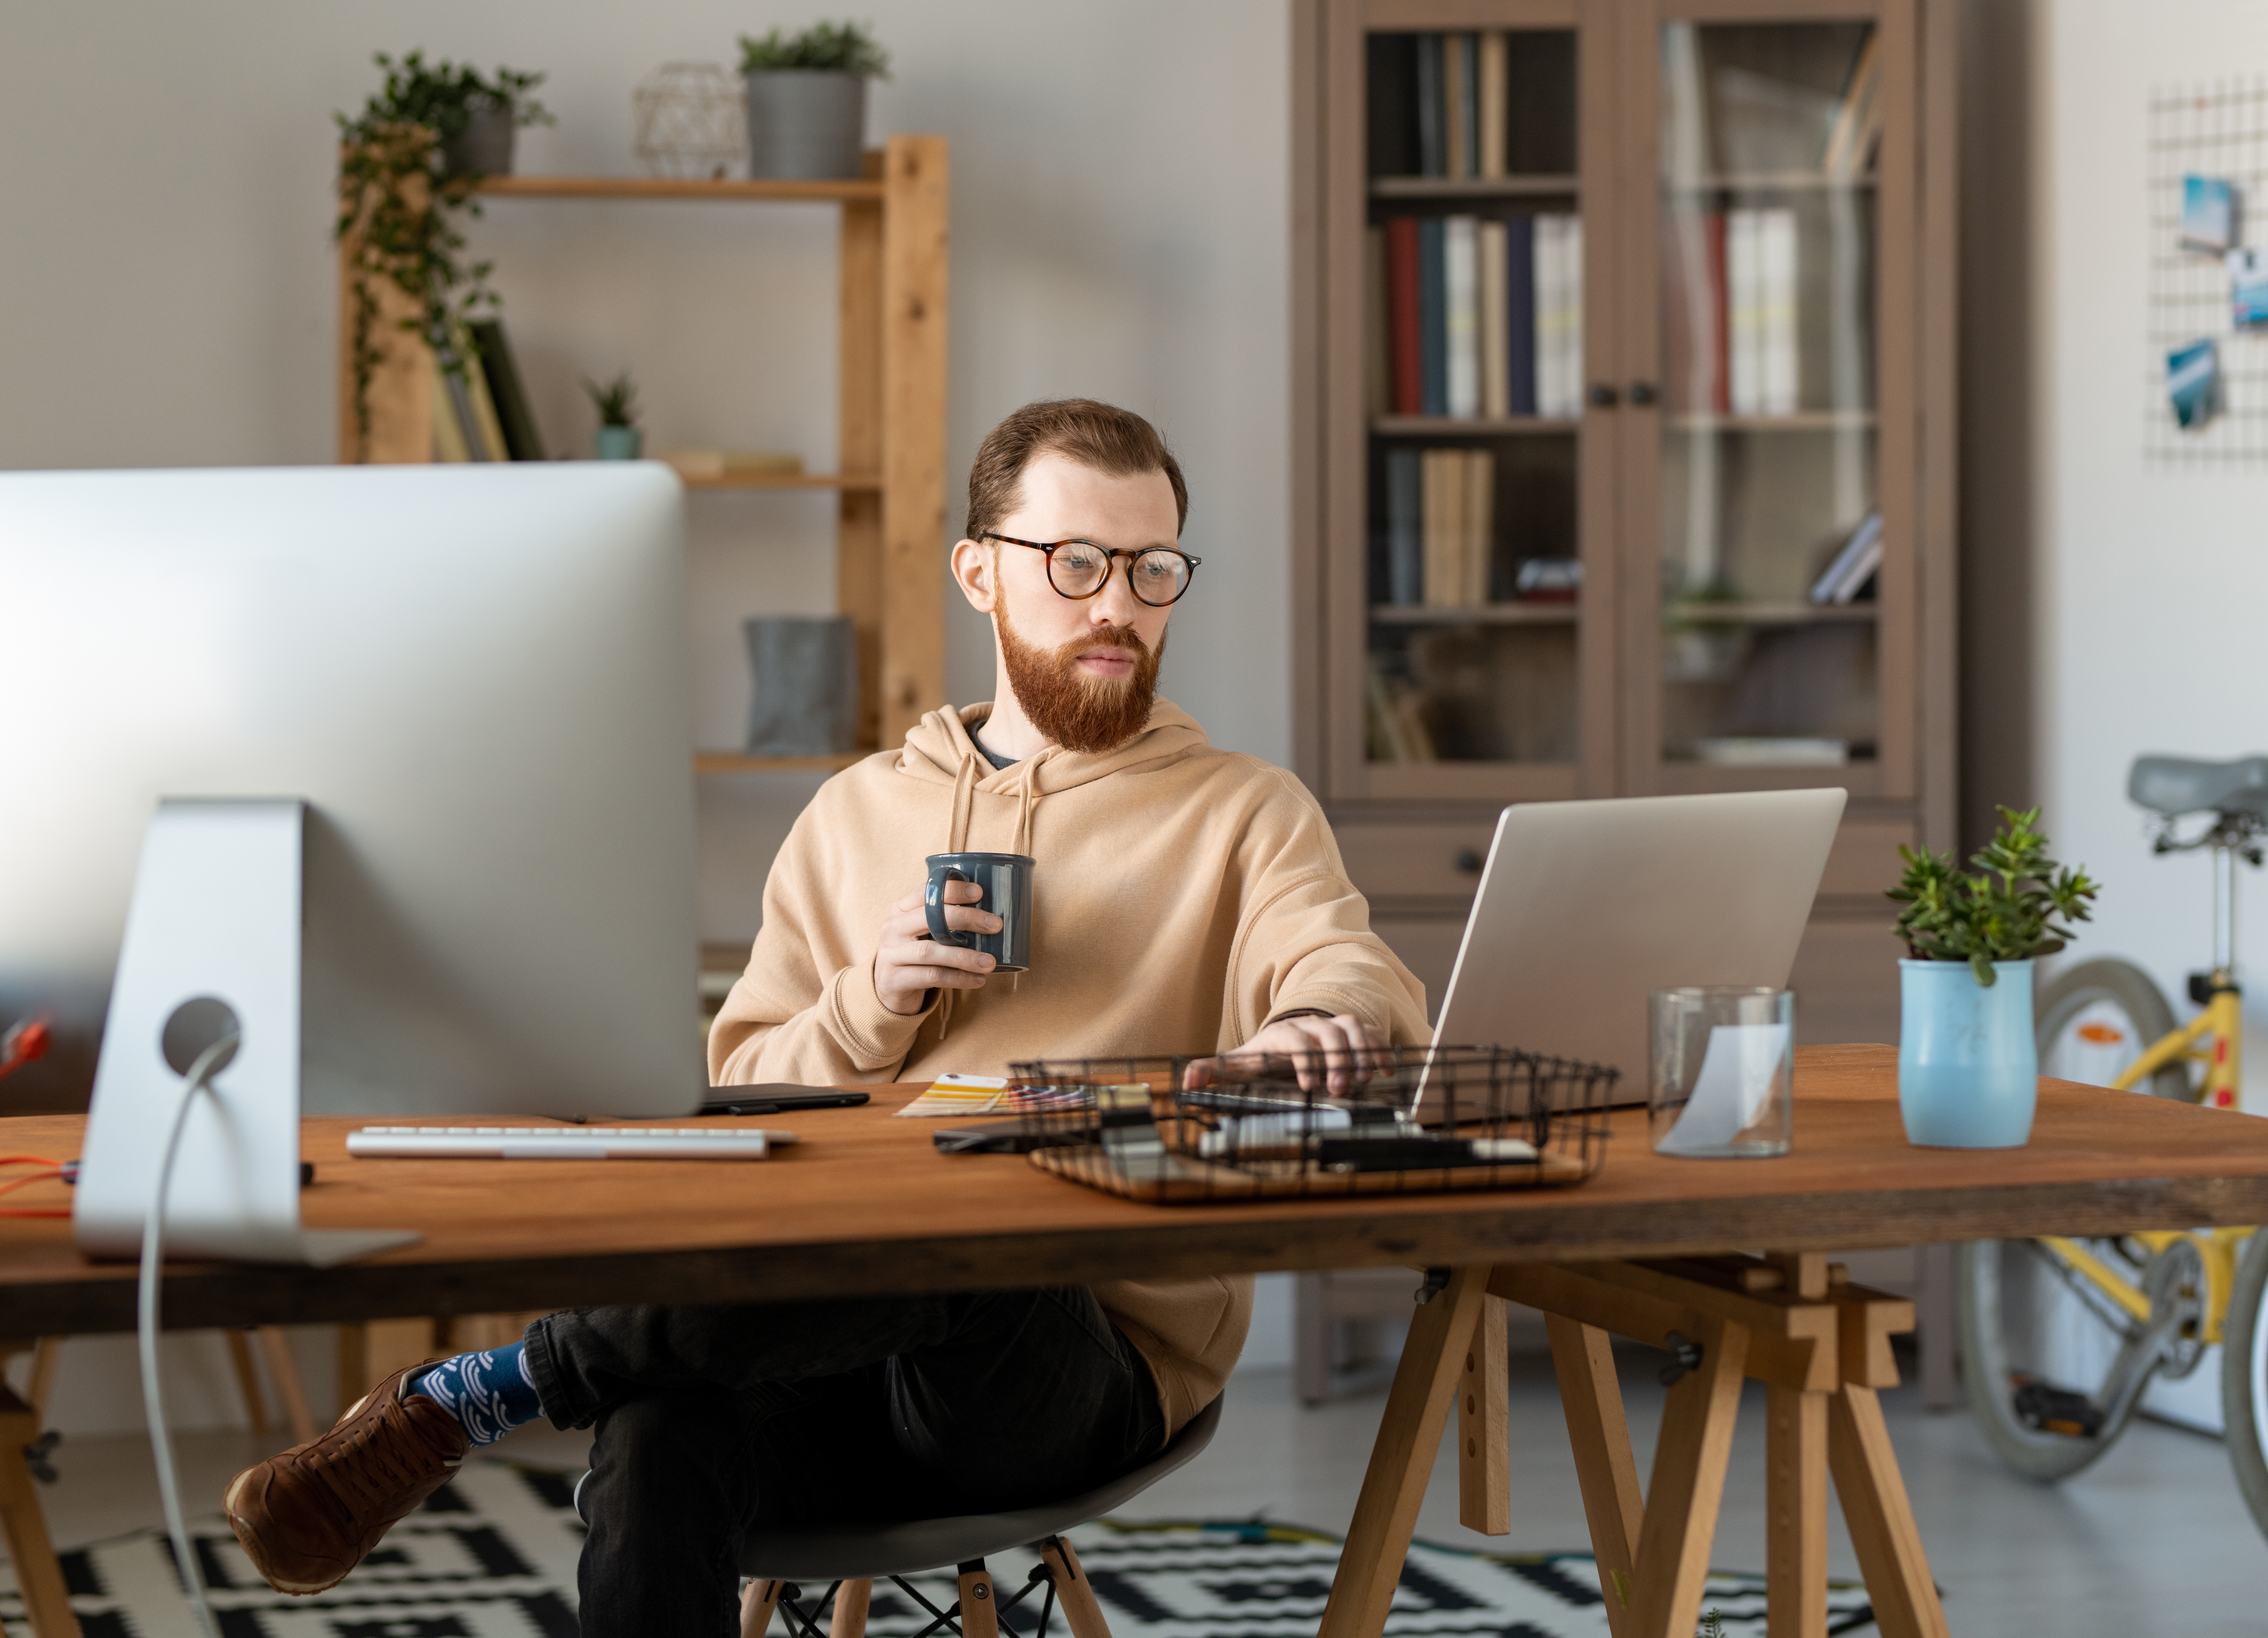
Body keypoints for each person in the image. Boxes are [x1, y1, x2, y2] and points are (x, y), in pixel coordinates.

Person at [221, 399, 1428, 1635]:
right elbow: (736, 1080)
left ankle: (492, 1385)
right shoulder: (853, 812)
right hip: (824, 1340)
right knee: (655, 1432)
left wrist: (1317, 1025)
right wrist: (872, 998)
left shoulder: (1243, 809)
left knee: (977, 1208)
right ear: (979, 571)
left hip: (1075, 1358)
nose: (1117, 605)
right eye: (1075, 562)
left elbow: (1344, 963)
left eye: (1153, 568)